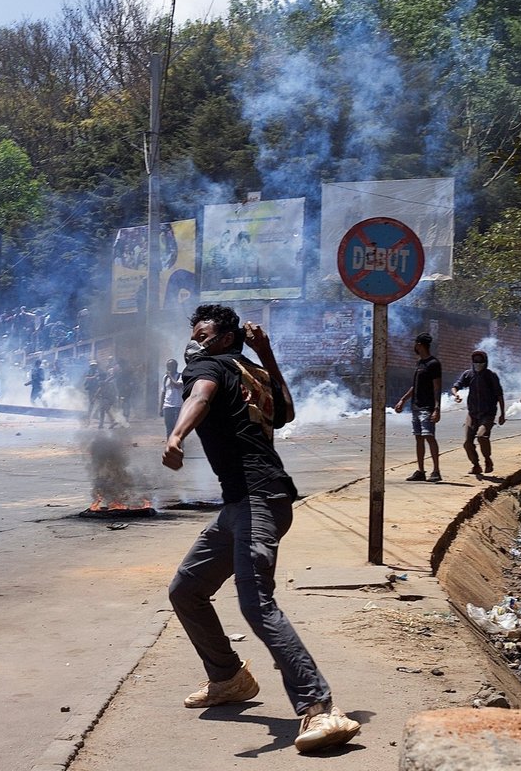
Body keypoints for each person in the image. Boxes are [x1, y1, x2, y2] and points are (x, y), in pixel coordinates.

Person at [162, 303, 359, 754]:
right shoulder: (253, 371)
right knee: (185, 589)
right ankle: (228, 677)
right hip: (247, 503)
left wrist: (176, 436)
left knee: (257, 604)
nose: (195, 339)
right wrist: (266, 354)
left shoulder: (208, 367)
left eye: (204, 331)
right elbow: (286, 411)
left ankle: (320, 707)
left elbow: (201, 397)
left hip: (256, 500)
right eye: (194, 332)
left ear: (226, 337)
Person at [393, 333, 443, 482]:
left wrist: (437, 408)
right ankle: (421, 471)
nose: (414, 346)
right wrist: (403, 400)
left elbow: (437, 387)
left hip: (427, 407)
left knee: (429, 437)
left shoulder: (433, 363)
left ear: (420, 345)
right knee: (419, 438)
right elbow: (415, 386)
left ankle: (436, 471)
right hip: (416, 406)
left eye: (415, 344)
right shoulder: (419, 363)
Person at [450, 350, 506, 476]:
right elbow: (456, 386)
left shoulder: (491, 376)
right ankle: (476, 465)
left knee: (481, 437)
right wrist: (456, 394)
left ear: (485, 362)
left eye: (480, 361)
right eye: (475, 361)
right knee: (467, 442)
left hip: (488, 414)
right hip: (472, 413)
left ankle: (487, 459)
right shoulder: (468, 374)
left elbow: (499, 395)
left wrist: (502, 414)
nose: (478, 364)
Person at [160, 358, 183, 436]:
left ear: (175, 367)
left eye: (170, 366)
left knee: (177, 428)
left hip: (178, 406)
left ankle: (179, 446)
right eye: (167, 367)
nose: (168, 368)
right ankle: (169, 446)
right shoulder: (165, 378)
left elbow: (178, 386)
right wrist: (161, 408)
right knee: (169, 429)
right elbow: (163, 393)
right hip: (167, 407)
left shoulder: (180, 376)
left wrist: (170, 377)